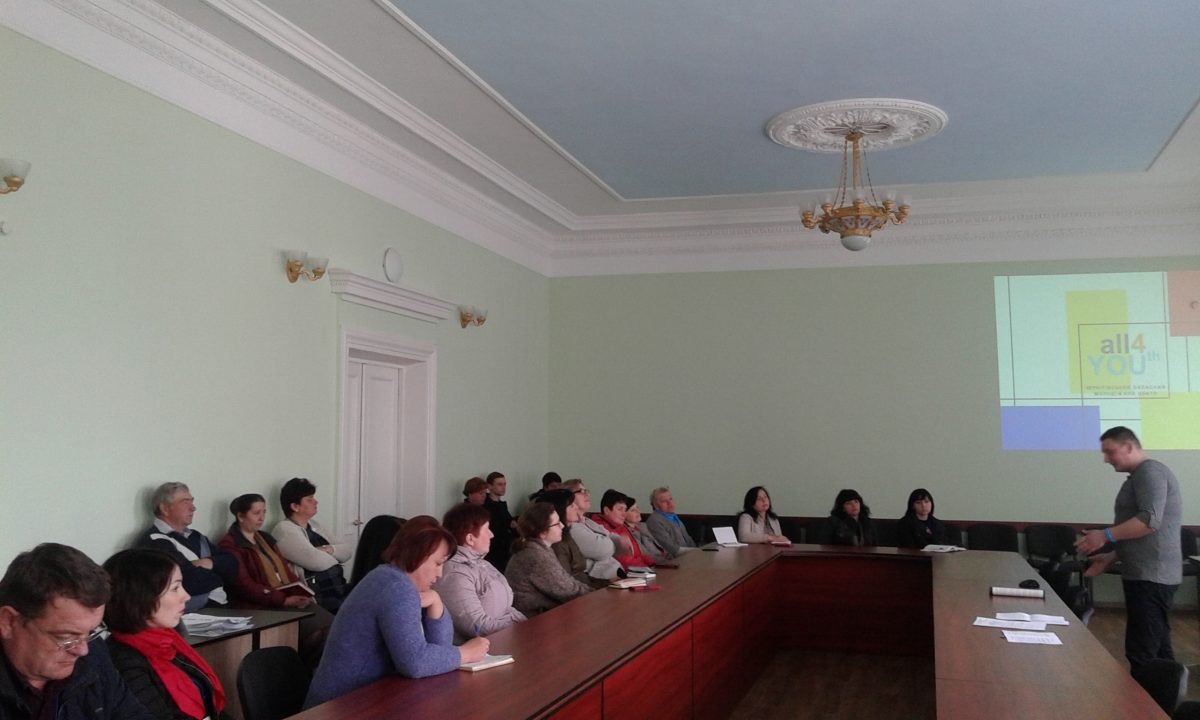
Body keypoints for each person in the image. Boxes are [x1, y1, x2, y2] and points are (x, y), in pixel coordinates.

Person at [304, 517, 489, 708]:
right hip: (337, 706)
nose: (439, 574)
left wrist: (436, 602)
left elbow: (437, 651)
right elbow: (415, 663)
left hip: (358, 700)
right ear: (419, 555)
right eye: (437, 563)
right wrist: (465, 653)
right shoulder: (395, 587)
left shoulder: (390, 577)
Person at [0, 543, 153, 720]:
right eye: (65, 636)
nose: (82, 650)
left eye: (91, 632)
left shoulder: (94, 655)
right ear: (8, 622)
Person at [1075, 426, 1182, 672]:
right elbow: (1146, 534)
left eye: (1110, 452)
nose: (1106, 459)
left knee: (1142, 652)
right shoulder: (1140, 475)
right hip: (1146, 575)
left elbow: (1149, 521)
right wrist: (1112, 557)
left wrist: (1105, 535)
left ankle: (1146, 697)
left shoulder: (1150, 472)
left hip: (1152, 577)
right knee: (1158, 649)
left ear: (1129, 446)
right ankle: (1167, 695)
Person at [102, 549, 231, 720]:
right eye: (175, 588)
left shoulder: (168, 640)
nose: (186, 596)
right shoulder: (124, 662)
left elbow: (212, 708)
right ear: (141, 596)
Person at [217, 494, 333, 665]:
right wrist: (283, 599)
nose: (262, 517)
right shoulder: (230, 545)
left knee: (333, 627)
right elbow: (244, 585)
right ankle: (300, 667)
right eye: (256, 513)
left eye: (264, 512)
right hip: (260, 605)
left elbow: (284, 569)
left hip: (283, 596)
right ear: (240, 516)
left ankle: (307, 669)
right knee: (315, 633)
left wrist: (300, 590)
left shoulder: (265, 538)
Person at [136, 482, 237, 611]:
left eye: (192, 501)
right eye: (185, 502)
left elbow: (233, 564)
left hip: (218, 610)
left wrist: (207, 563)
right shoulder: (155, 541)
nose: (193, 508)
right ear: (164, 508)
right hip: (190, 614)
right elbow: (188, 580)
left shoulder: (196, 537)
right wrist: (220, 574)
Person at [435, 503, 526, 643]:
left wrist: (521, 621)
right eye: (487, 529)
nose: (492, 534)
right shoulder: (454, 574)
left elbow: (507, 608)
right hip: (478, 651)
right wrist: (518, 621)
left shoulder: (483, 563)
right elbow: (478, 627)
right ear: (470, 539)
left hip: (501, 641)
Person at [273, 478, 351, 613]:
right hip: (316, 597)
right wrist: (335, 554)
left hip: (338, 589)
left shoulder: (315, 525)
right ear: (295, 506)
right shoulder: (284, 529)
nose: (316, 502)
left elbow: (347, 551)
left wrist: (326, 549)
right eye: (309, 499)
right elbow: (316, 562)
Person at [504, 503, 593, 616]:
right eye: (557, 524)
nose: (562, 526)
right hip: (535, 620)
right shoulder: (535, 555)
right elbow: (567, 590)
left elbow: (567, 582)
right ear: (542, 532)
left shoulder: (538, 548)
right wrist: (596, 595)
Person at [562, 479, 625, 580]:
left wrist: (610, 543)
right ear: (568, 498)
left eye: (587, 491)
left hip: (615, 576)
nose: (587, 494)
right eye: (581, 491)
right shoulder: (570, 526)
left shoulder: (587, 521)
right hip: (598, 582)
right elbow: (603, 550)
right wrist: (614, 544)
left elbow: (613, 538)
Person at [590, 490, 657, 569]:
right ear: (607, 510)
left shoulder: (620, 525)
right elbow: (622, 561)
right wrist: (646, 566)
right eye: (620, 509)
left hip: (640, 569)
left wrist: (652, 563)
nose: (624, 514)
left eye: (625, 510)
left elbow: (638, 553)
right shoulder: (600, 529)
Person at [645, 486, 698, 556]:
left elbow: (688, 539)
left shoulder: (673, 516)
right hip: (673, 559)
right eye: (664, 501)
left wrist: (698, 551)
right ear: (656, 506)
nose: (670, 503)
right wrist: (696, 551)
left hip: (688, 555)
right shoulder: (654, 521)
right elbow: (670, 548)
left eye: (670, 499)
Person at [483, 472, 516, 572]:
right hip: (494, 550)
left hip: (504, 549)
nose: (503, 487)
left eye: (504, 484)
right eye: (499, 484)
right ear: (489, 486)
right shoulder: (486, 506)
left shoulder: (501, 505)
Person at [624, 498, 672, 564]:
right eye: (633, 510)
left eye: (637, 507)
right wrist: (667, 562)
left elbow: (660, 545)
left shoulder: (643, 526)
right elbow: (646, 555)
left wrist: (672, 557)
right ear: (623, 514)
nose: (638, 511)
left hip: (667, 559)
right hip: (656, 564)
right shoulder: (627, 532)